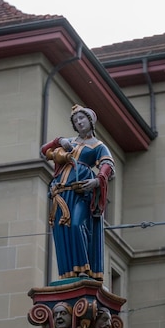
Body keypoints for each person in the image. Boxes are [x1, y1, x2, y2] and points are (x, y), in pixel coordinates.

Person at [41, 104, 114, 281]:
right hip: (61, 194)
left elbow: (109, 167)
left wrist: (97, 180)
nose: (79, 122)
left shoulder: (98, 146)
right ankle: (68, 272)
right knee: (61, 231)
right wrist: (59, 141)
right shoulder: (69, 143)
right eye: (75, 120)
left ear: (90, 121)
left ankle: (84, 269)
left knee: (76, 225)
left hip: (81, 192)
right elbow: (44, 151)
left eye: (81, 118)